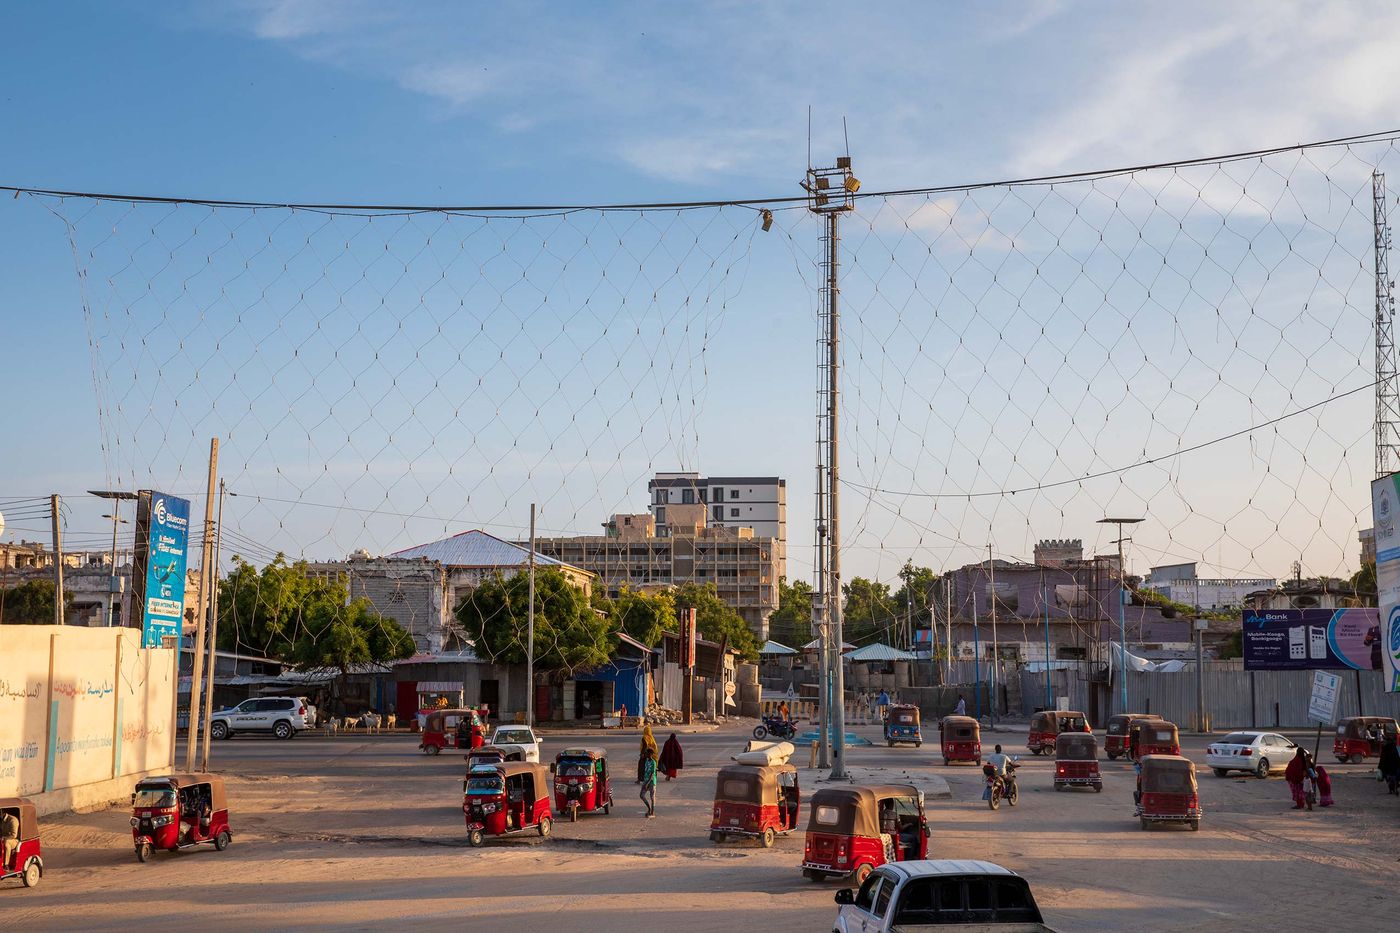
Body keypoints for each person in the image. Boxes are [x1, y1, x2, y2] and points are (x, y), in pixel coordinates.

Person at [639, 748, 658, 818]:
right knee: (641, 795)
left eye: (647, 753)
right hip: (645, 780)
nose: (646, 754)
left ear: (651, 754)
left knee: (652, 797)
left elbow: (652, 774)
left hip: (652, 782)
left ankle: (652, 812)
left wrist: (647, 783)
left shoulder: (653, 762)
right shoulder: (646, 761)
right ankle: (649, 808)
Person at [0, 808, 18, 872]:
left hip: (14, 840)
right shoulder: (1, 820)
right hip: (3, 838)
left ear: (2, 813)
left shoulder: (12, 820)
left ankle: (6, 864)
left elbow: (14, 835)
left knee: (6, 842)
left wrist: (3, 838)